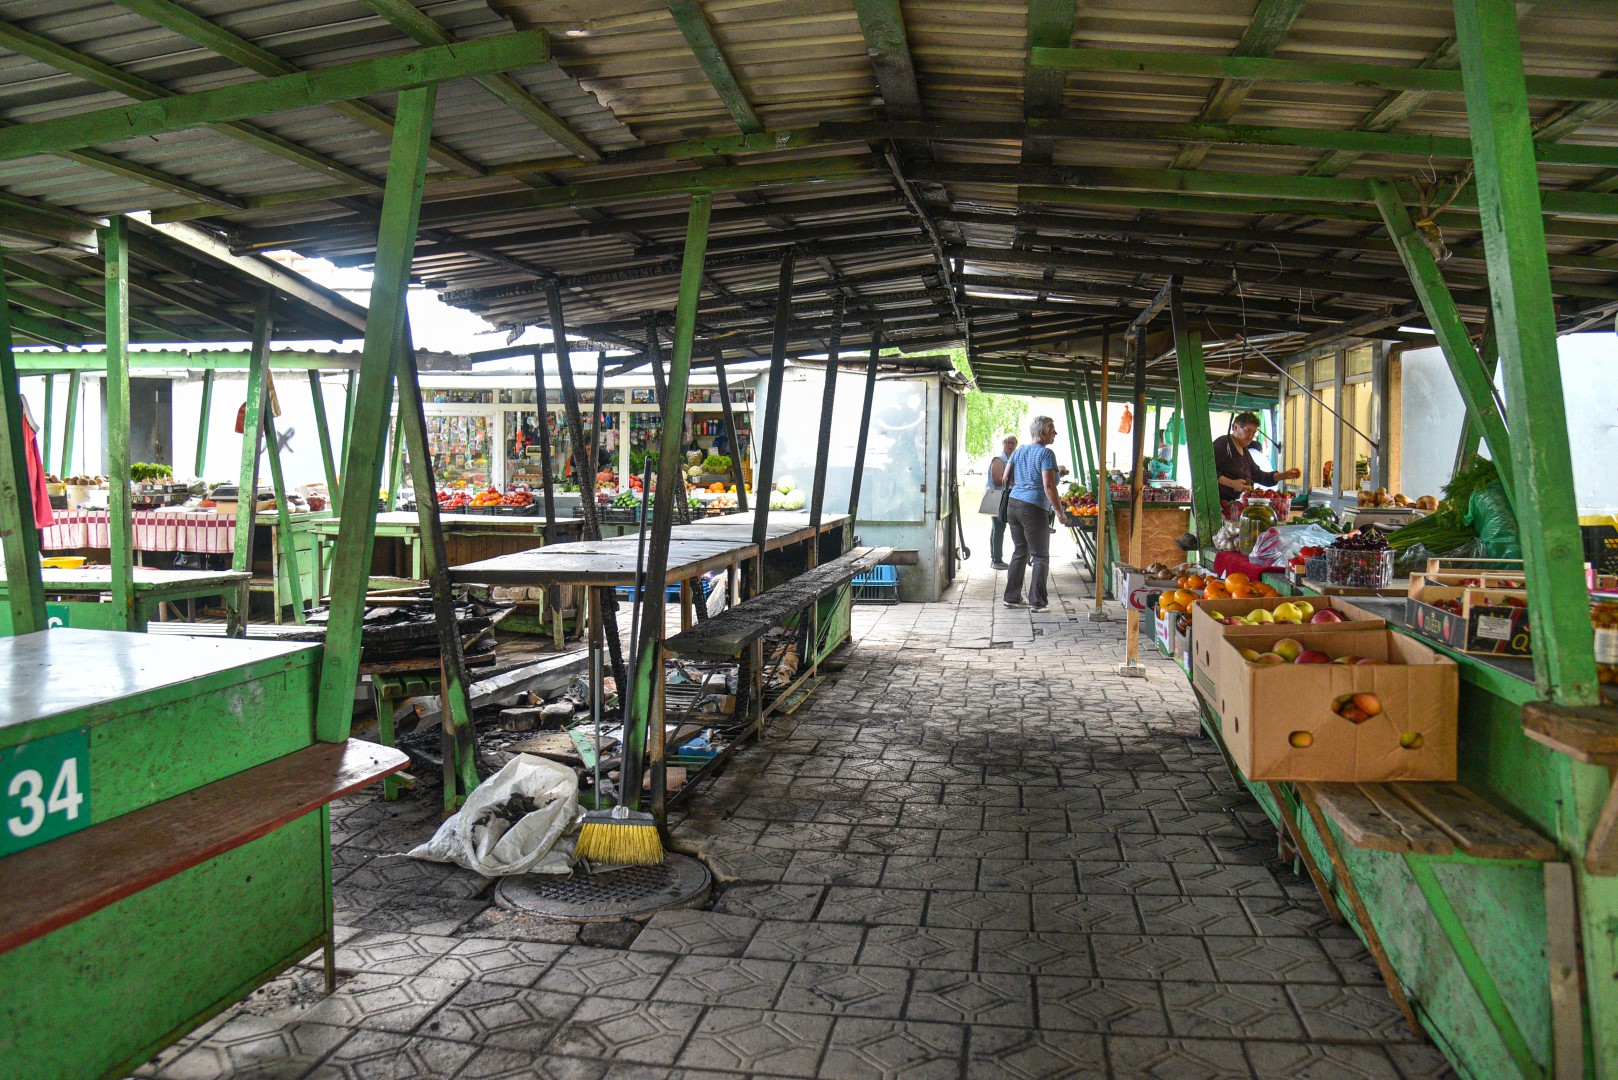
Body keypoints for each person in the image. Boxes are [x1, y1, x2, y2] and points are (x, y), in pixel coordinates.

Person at [1003, 415, 1068, 612]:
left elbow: (1006, 477)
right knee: (1040, 556)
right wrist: (1059, 512)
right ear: (1042, 433)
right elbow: (1048, 485)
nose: (1055, 433)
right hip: (1033, 508)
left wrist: (1022, 485)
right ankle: (1037, 602)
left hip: (1013, 505)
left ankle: (1012, 597)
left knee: (1020, 552)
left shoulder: (1019, 450)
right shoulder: (1046, 454)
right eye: (1052, 430)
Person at [1214, 411, 1300, 500]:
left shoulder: (1244, 451)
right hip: (1219, 505)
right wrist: (1232, 483)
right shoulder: (1223, 444)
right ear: (1236, 427)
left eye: (1254, 432)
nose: (1251, 435)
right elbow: (1209, 471)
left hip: (1236, 504)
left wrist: (1284, 475)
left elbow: (1259, 475)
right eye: (1248, 430)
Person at [985, 433, 1016, 570]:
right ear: (1003, 444)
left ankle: (995, 559)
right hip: (998, 497)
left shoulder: (1010, 459)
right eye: (1008, 443)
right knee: (998, 528)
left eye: (1013, 443)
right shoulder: (999, 460)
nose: (1010, 445)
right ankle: (996, 560)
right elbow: (998, 480)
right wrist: (1014, 483)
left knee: (997, 528)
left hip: (1002, 496)